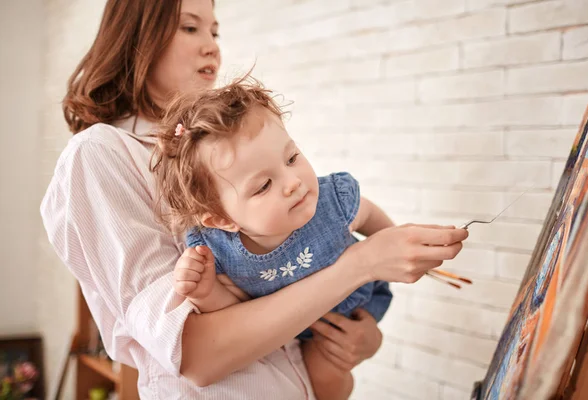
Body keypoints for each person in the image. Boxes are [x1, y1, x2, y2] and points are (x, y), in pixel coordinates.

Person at [40, 0, 469, 398]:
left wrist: (362, 337)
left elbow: (289, 291)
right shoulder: (102, 154)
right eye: (190, 28)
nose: (211, 46)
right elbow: (194, 356)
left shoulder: (225, 153)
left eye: (215, 31)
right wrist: (360, 265)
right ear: (136, 36)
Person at [151, 77, 395, 399]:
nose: (293, 182)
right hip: (292, 330)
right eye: (264, 186)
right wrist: (205, 293)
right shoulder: (218, 252)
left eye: (292, 158)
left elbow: (366, 214)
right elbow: (237, 308)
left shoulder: (329, 203)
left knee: (328, 372)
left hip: (348, 310)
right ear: (222, 219)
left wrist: (395, 239)